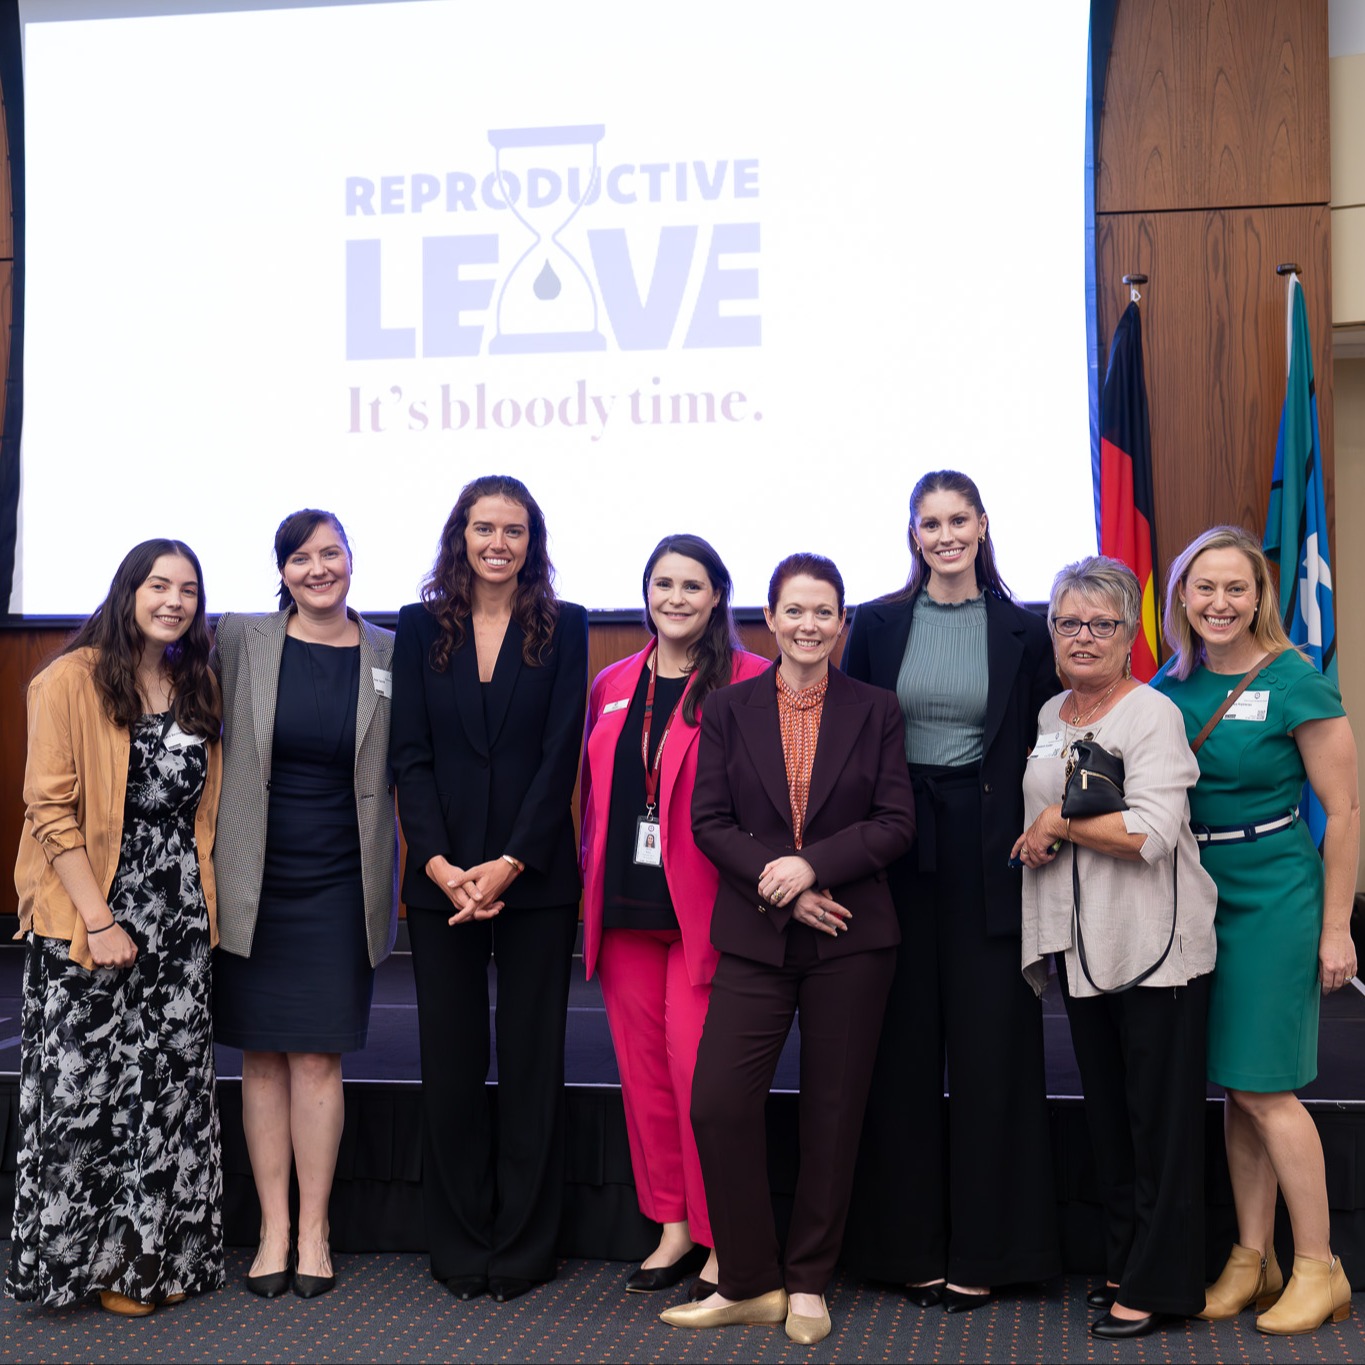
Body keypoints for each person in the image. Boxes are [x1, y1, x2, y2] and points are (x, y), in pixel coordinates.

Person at [660, 554, 915, 1346]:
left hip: (851, 936)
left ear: (842, 623)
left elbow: (895, 821)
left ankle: (806, 1281)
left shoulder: (875, 708)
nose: (809, 625)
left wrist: (814, 866)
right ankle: (746, 1279)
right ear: (768, 619)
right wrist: (783, 887)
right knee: (718, 1103)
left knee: (831, 1116)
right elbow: (709, 822)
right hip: (758, 936)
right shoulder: (727, 707)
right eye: (794, 610)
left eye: (824, 612)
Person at [842, 469, 1061, 1309]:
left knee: (992, 1054)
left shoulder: (1025, 629)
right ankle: (903, 1248)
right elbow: (849, 742)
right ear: (912, 533)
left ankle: (990, 1252)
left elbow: (1049, 743)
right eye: (929, 521)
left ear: (981, 525)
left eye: (957, 519)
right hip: (893, 854)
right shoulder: (876, 624)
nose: (944, 534)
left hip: (994, 856)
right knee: (895, 1053)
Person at [7, 540, 225, 1316]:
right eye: (158, 584)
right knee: (91, 1095)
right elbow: (50, 810)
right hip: (89, 917)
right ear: (127, 589)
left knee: (168, 1094)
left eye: (188, 589)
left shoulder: (195, 680)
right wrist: (100, 921)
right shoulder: (69, 678)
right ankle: (88, 1266)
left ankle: (150, 1258)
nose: (173, 600)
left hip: (179, 921)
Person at [1154, 525, 1358, 1335]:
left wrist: (1336, 926)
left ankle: (1319, 1266)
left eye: (1235, 587)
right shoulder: (1168, 688)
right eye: (1203, 587)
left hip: (1275, 892)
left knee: (1267, 1088)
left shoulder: (1292, 678)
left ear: (1259, 597)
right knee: (1236, 1087)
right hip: (1197, 895)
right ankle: (1252, 1256)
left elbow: (1342, 811)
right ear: (1178, 598)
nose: (1218, 602)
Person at [389, 475, 588, 1304]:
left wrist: (509, 861)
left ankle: (523, 1244)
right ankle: (461, 1239)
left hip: (534, 875)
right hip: (440, 881)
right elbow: (411, 754)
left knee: (534, 1058)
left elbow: (560, 755)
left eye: (512, 529)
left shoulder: (565, 625)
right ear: (459, 535)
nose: (496, 541)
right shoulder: (416, 626)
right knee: (452, 1059)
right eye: (482, 527)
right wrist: (438, 866)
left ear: (530, 539)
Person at [1013, 556, 1218, 1339]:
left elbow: (1153, 832)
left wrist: (1060, 825)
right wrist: (1037, 838)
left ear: (1129, 631)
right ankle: (1126, 1260)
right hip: (1084, 944)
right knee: (1111, 1119)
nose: (1083, 636)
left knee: (1159, 1122)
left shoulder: (1150, 714)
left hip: (1155, 945)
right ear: (1052, 631)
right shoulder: (1047, 713)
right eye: (1069, 622)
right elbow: (1051, 806)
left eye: (1102, 623)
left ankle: (1163, 1283)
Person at [213, 509, 398, 1300]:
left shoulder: (391, 651)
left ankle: (315, 1227)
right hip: (253, 875)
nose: (317, 569)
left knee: (319, 1056)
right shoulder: (238, 637)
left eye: (331, 553)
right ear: (281, 570)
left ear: (352, 559)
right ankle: (272, 1229)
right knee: (259, 1057)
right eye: (300, 558)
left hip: (340, 876)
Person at [580, 534, 769, 1298]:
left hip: (707, 910)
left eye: (692, 585)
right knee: (645, 1077)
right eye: (663, 583)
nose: (676, 598)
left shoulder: (750, 677)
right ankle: (672, 1226)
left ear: (717, 596)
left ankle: (724, 1236)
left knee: (704, 1081)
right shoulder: (613, 681)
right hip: (625, 903)